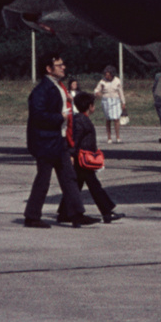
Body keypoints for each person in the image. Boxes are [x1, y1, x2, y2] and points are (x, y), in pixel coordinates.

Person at [24, 54, 92, 228]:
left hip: (59, 140)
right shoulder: (42, 90)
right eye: (59, 65)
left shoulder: (59, 87)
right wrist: (58, 117)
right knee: (43, 179)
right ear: (49, 69)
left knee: (69, 177)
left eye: (63, 64)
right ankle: (32, 216)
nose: (63, 67)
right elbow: (37, 114)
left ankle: (77, 214)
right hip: (46, 141)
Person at [58, 92, 121, 224]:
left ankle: (64, 213)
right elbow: (75, 139)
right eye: (93, 105)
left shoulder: (80, 118)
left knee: (76, 186)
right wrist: (71, 154)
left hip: (82, 158)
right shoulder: (81, 120)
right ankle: (107, 212)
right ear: (90, 106)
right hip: (82, 159)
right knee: (94, 186)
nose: (94, 107)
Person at [94, 66, 125, 144]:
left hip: (115, 100)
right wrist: (97, 93)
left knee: (116, 118)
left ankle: (118, 137)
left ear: (112, 74)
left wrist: (123, 102)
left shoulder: (117, 81)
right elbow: (96, 89)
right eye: (105, 75)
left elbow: (121, 92)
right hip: (106, 100)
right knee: (108, 119)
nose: (106, 76)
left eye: (108, 75)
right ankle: (109, 137)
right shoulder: (102, 81)